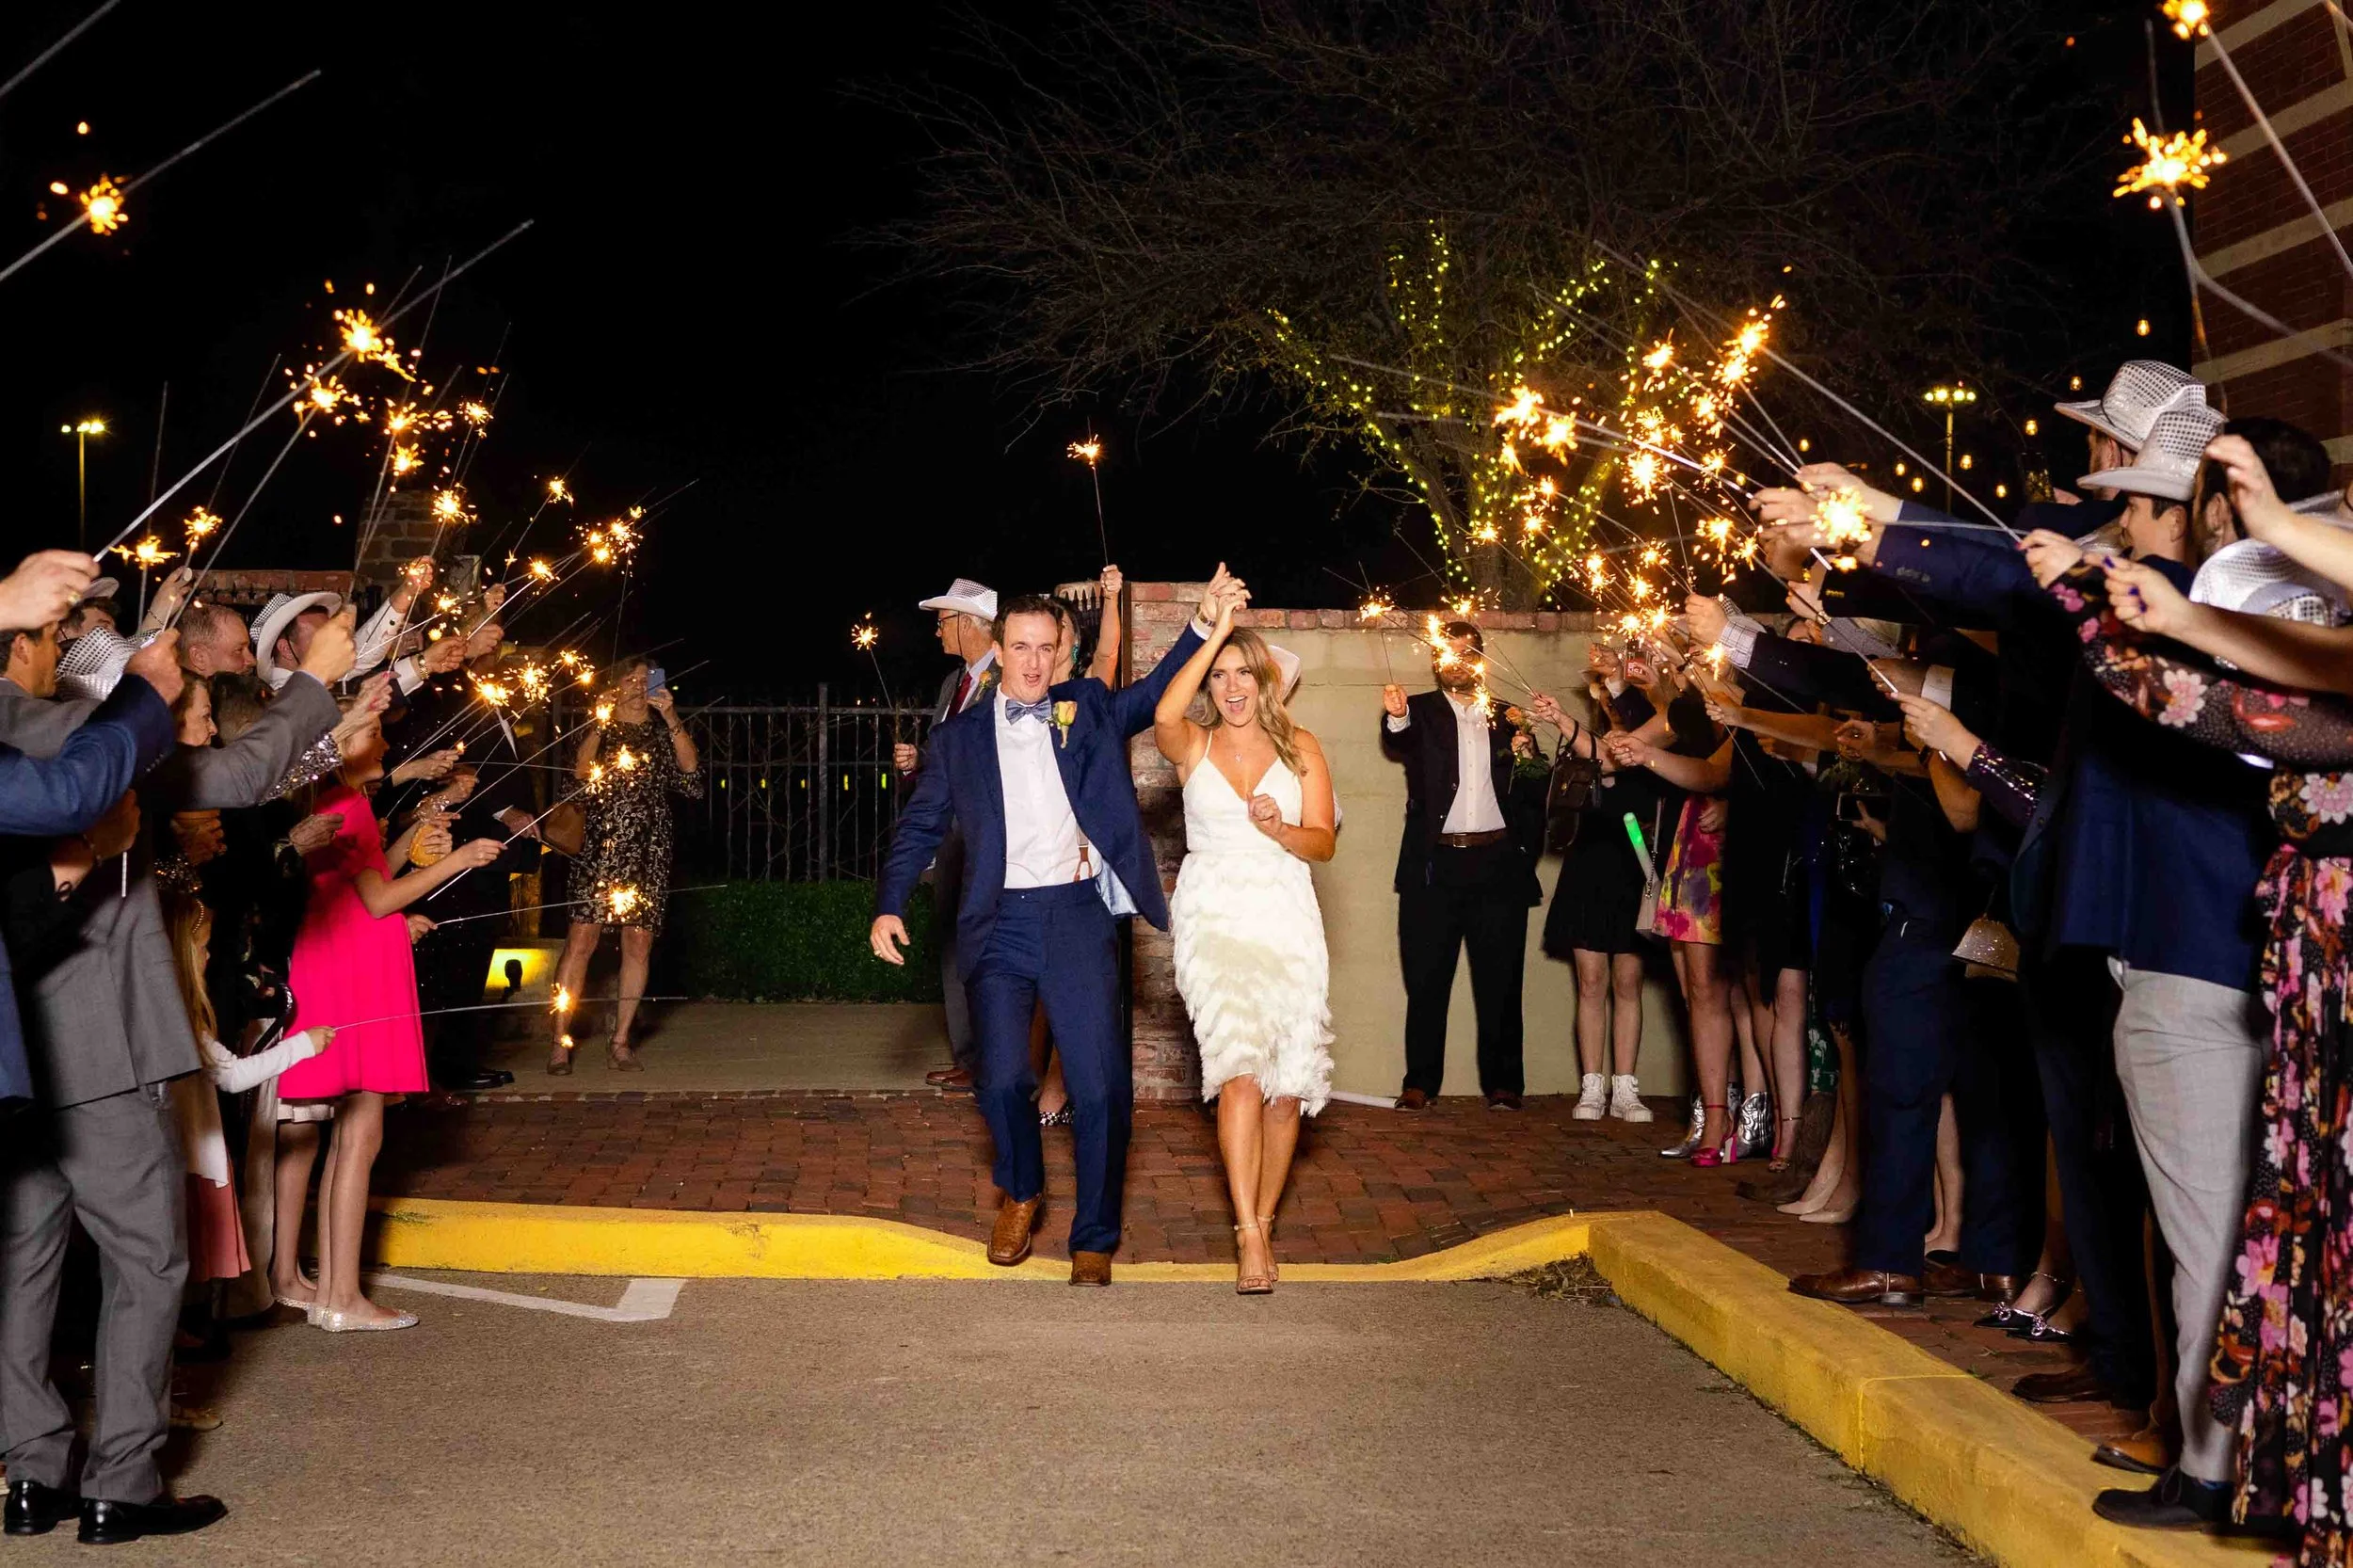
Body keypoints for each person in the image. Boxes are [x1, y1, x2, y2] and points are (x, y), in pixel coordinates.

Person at [0, 600, 351, 1545]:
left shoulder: (23, 742)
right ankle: (123, 1481)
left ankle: (31, 1472)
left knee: (24, 1265)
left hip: (18, 1057)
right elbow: (244, 768)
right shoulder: (105, 748)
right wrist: (317, 675)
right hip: (103, 1051)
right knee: (147, 1263)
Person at [872, 568, 1234, 1286]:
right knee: (1003, 1078)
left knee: (1098, 1087)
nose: (1034, 661)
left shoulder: (1087, 709)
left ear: (1058, 649)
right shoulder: (958, 740)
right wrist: (888, 903)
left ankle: (1094, 1234)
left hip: (1076, 917)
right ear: (998, 651)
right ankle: (1022, 1188)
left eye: (1046, 647)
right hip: (999, 921)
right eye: (1021, 647)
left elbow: (1157, 688)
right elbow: (920, 828)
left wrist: (1201, 621)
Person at [273, 710, 502, 1331]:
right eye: (372, 732)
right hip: (354, 974)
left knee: (344, 1133)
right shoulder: (344, 801)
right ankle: (342, 1297)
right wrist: (460, 861)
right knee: (360, 1134)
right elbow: (377, 900)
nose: (387, 742)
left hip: (342, 964)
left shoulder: (333, 798)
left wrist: (407, 842)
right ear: (343, 745)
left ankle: (330, 1293)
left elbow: (358, 879)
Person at [1154, 609, 1336, 1294]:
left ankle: (1261, 1217)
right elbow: (1165, 712)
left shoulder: (1303, 749)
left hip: (1286, 911)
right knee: (1238, 1072)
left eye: (1244, 674)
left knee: (1286, 1090)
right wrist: (1213, 634)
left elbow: (1324, 841)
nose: (1232, 688)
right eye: (1222, 676)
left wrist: (1281, 827)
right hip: (1214, 913)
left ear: (1267, 685)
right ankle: (1249, 1236)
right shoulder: (1193, 744)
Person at [1379, 620, 1551, 1110]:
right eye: (1448, 653)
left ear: (1480, 658)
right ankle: (1420, 1083)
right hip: (1435, 866)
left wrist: (1529, 755)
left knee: (1501, 979)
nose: (1457, 660)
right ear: (1437, 661)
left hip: (1497, 862)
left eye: (1467, 652)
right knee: (1427, 978)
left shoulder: (1508, 716)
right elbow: (1399, 740)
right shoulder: (1417, 711)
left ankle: (1504, 1085)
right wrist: (1395, 716)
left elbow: (1536, 786)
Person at [546, 658, 701, 1073]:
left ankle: (620, 1041)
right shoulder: (600, 727)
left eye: (643, 680)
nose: (636, 687)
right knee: (581, 941)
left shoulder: (659, 730)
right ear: (614, 686)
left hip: (649, 850)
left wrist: (670, 716)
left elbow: (690, 774)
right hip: (600, 847)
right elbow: (577, 778)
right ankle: (561, 1042)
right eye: (628, 680)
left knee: (638, 943)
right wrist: (600, 720)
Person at [1537, 670, 1653, 1123]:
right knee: (1590, 982)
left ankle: (1626, 1089)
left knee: (1628, 982)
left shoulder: (1651, 742)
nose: (1609, 702)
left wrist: (1564, 721)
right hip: (1589, 867)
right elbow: (1595, 761)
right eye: (1604, 695)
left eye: (1617, 695)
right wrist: (1565, 726)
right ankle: (1592, 1088)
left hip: (1635, 867)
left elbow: (1613, 760)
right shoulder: (1583, 745)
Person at [1032, 568, 1126, 1126]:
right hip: (1032, 856)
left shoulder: (1088, 692)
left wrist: (1110, 595)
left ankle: (1057, 1090)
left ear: (1069, 639)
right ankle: (1029, 1079)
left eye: (1057, 628)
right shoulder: (1019, 697)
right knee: (1036, 981)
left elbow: (1111, 652)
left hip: (1083, 850)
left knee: (1075, 980)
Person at [902, 576, 1000, 1092]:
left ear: (969, 624)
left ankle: (995, 1058)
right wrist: (918, 762)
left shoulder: (1007, 677)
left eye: (943, 622)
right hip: (949, 834)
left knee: (986, 945)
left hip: (985, 835)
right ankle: (969, 1058)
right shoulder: (951, 685)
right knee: (951, 943)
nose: (937, 633)